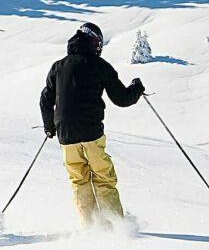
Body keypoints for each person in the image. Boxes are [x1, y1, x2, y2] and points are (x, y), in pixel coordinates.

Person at [39, 21, 144, 227]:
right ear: (95, 42)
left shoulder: (58, 67)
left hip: (66, 135)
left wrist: (50, 126)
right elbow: (122, 99)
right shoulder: (99, 66)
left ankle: (89, 225)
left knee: (79, 179)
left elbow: (45, 100)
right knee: (103, 176)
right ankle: (115, 225)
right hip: (91, 132)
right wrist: (136, 88)